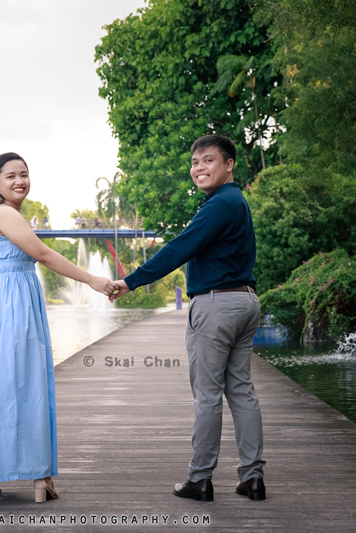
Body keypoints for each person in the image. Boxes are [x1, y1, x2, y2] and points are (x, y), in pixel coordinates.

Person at [111, 134, 266, 502]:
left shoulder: (219, 205)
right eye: (195, 162)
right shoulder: (234, 201)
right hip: (244, 301)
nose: (199, 168)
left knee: (208, 395)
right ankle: (252, 478)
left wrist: (131, 282)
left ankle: (200, 479)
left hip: (216, 306)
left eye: (208, 160)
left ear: (228, 165)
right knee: (241, 391)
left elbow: (179, 248)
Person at [0, 152, 114, 503]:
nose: (19, 181)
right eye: (10, 176)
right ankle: (37, 476)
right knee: (26, 386)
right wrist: (92, 280)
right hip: (12, 309)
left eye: (24, 174)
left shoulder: (1, 215)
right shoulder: (6, 213)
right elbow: (43, 254)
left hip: (2, 306)